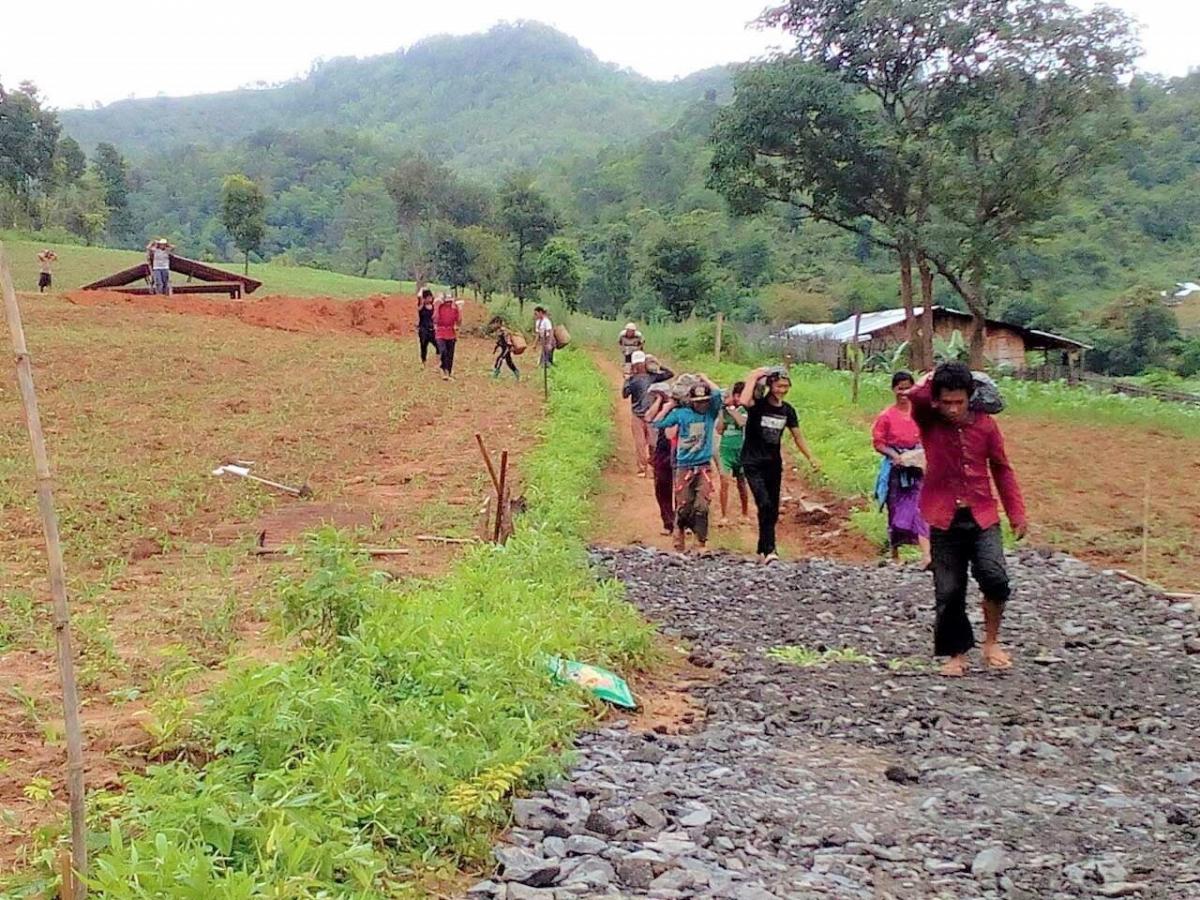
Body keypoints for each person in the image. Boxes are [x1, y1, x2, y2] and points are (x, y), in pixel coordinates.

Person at [905, 362, 1027, 678]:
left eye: (959, 402)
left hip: (982, 514)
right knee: (948, 590)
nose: (953, 409)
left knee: (995, 577)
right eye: (946, 402)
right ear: (937, 400)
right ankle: (956, 653)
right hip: (943, 517)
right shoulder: (929, 421)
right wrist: (931, 376)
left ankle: (991, 642)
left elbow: (1001, 467)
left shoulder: (986, 426)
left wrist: (1016, 513)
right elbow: (915, 397)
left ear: (970, 397)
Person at [738, 367, 821, 564]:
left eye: (785, 386)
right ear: (770, 386)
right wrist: (754, 375)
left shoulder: (788, 410)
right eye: (778, 386)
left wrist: (811, 458)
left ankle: (762, 548)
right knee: (764, 503)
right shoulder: (758, 405)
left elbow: (797, 436)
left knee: (772, 508)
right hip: (752, 462)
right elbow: (743, 401)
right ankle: (770, 549)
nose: (782, 390)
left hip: (773, 464)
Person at [654, 376, 723, 553]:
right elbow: (658, 422)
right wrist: (668, 406)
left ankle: (701, 542)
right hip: (684, 466)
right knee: (684, 504)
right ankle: (679, 536)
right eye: (698, 402)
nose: (702, 405)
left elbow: (718, 395)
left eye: (704, 401)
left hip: (703, 466)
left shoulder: (710, 414)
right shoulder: (682, 414)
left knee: (702, 504)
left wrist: (706, 379)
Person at [872, 371, 932, 567]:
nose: (904, 392)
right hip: (896, 470)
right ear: (893, 389)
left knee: (920, 507)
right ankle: (895, 553)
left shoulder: (920, 413)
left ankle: (926, 555)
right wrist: (895, 455)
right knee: (895, 509)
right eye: (900, 388)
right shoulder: (886, 416)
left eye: (907, 388)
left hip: (917, 467)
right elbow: (879, 443)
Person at [622, 350, 674, 477]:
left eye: (641, 363)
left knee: (653, 443)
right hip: (637, 414)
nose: (639, 366)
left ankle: (652, 467)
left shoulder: (653, 376)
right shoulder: (633, 379)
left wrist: (657, 364)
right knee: (640, 444)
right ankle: (642, 468)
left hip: (652, 414)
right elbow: (624, 394)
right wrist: (626, 380)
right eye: (637, 364)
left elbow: (669, 373)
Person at [643, 385, 677, 535]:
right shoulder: (660, 408)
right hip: (662, 451)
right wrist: (659, 401)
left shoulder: (678, 408)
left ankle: (681, 522)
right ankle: (669, 522)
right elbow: (649, 418)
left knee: (682, 489)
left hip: (678, 450)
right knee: (662, 487)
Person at [716, 382, 750, 524]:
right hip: (725, 450)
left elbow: (742, 422)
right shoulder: (724, 411)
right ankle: (724, 515)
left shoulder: (744, 410)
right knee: (724, 481)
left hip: (741, 450)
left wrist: (731, 410)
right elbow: (719, 430)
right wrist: (722, 411)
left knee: (741, 482)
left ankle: (744, 512)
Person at [433, 294, 462, 380]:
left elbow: (459, 322)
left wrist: (460, 309)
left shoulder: (454, 310)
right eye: (447, 301)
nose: (448, 303)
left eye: (450, 301)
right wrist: (437, 306)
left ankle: (448, 372)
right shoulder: (440, 308)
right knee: (443, 351)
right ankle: (443, 369)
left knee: (450, 355)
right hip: (440, 333)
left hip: (451, 334)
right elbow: (435, 319)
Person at [417, 289, 437, 365]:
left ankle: (437, 360)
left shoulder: (433, 307)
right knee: (423, 346)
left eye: (430, 297)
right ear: (424, 298)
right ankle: (423, 361)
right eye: (427, 297)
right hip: (423, 329)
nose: (429, 299)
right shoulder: (421, 306)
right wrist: (422, 290)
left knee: (438, 345)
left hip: (432, 329)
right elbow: (419, 297)